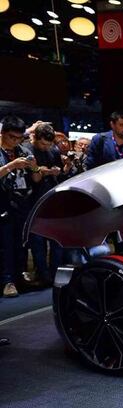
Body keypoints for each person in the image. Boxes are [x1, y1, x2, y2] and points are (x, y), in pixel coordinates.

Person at [0, 116, 43, 297]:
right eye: (12, 137)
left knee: (22, 244)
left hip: (23, 204)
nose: (16, 141)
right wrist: (11, 165)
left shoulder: (23, 150)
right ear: (2, 134)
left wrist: (34, 167)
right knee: (5, 244)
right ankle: (7, 281)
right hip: (3, 204)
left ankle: (19, 276)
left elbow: (37, 179)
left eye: (19, 138)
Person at [21, 123, 63, 286]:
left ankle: (55, 274)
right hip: (32, 201)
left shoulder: (54, 150)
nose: (46, 147)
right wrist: (42, 170)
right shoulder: (26, 150)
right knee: (37, 242)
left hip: (52, 199)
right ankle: (44, 276)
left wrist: (58, 170)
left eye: (49, 144)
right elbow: (32, 177)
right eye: (43, 144)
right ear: (34, 138)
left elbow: (59, 169)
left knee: (56, 240)